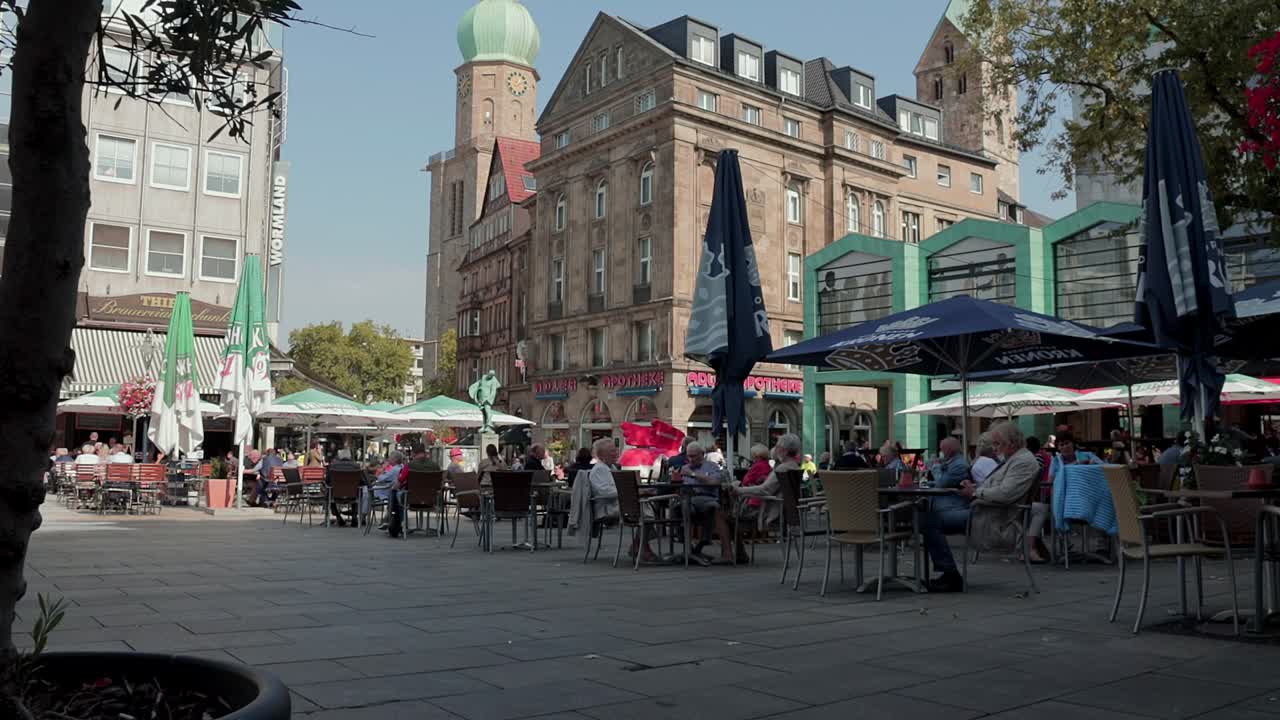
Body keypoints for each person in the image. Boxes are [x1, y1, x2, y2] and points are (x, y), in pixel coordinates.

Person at [922, 421, 1046, 592]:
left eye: (997, 444)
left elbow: (1005, 494)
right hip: (988, 511)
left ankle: (950, 576)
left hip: (995, 518)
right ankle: (948, 574)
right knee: (931, 513)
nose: (993, 448)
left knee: (929, 521)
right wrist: (973, 488)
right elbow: (999, 488)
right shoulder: (1016, 458)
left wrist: (974, 493)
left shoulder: (1022, 461)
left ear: (1011, 442)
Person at [731, 434, 802, 563]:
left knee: (726, 516)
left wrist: (739, 490)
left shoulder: (781, 469)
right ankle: (739, 554)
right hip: (782, 511)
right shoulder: (794, 467)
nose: (775, 449)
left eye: (777, 446)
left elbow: (764, 490)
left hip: (768, 513)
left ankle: (735, 554)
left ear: (784, 450)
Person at [678, 441, 734, 564]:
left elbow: (714, 482)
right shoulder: (685, 467)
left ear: (702, 454)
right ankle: (689, 549)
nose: (691, 459)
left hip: (707, 497)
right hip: (689, 498)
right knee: (679, 508)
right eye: (689, 456)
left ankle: (699, 545)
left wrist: (693, 474)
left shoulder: (711, 466)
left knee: (711, 507)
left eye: (694, 456)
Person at [326, 449, 366, 527]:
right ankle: (354, 517)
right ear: (350, 456)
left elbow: (327, 481)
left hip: (335, 495)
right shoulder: (356, 466)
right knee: (357, 490)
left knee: (329, 493)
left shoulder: (333, 466)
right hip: (353, 495)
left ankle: (338, 517)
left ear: (339, 457)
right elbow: (362, 481)